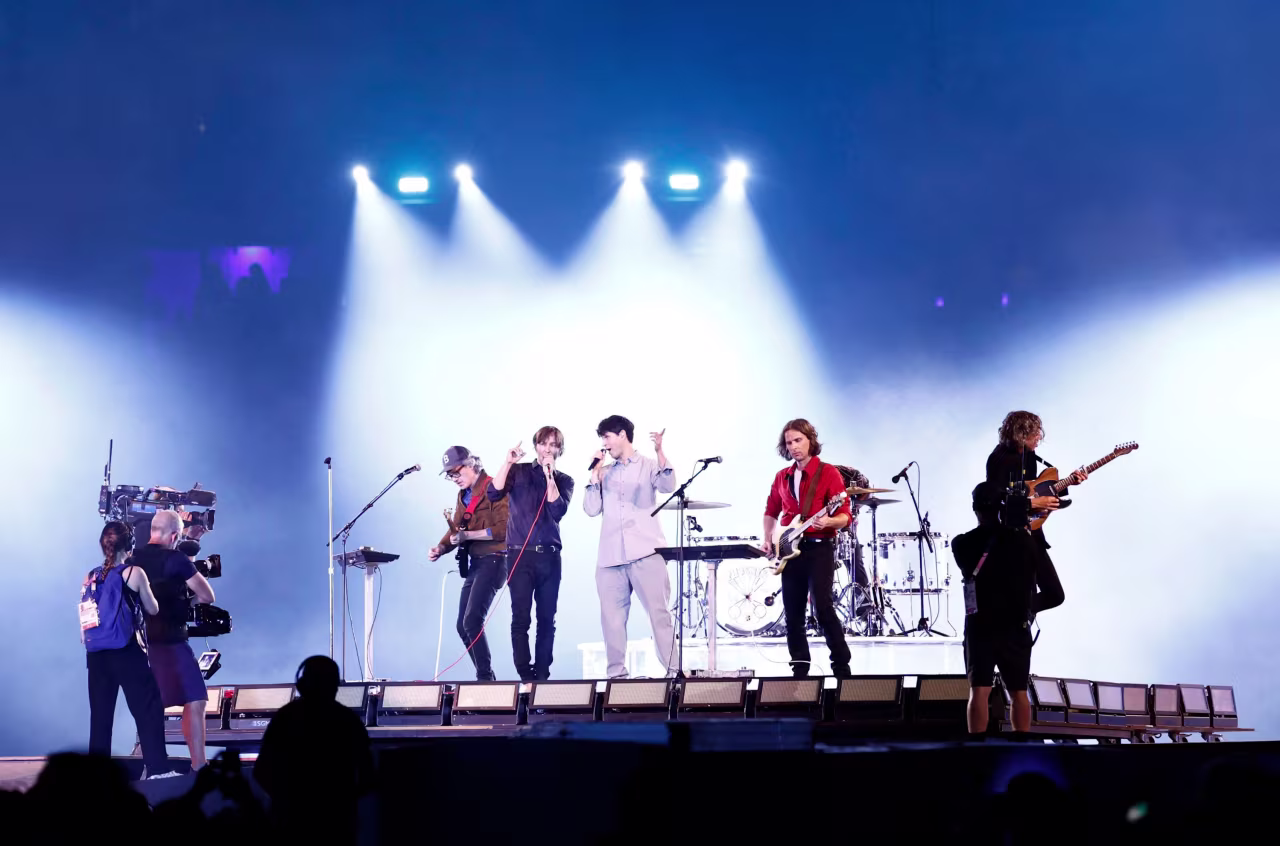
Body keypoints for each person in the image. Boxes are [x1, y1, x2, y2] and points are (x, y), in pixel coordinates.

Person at [952, 481, 1058, 735]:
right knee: (1019, 692)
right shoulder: (1028, 543)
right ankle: (1020, 749)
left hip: (980, 625)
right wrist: (1026, 607)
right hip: (1015, 624)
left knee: (979, 691)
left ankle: (977, 753)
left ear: (975, 508)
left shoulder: (961, 544)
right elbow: (1055, 594)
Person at [583, 414, 678, 678]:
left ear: (622, 434)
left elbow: (668, 484)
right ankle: (617, 677)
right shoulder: (604, 473)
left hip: (647, 553)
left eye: (607, 437)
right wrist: (594, 473)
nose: (604, 444)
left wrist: (660, 451)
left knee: (659, 615)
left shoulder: (647, 465)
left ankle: (674, 673)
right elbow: (591, 509)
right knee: (612, 622)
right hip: (610, 558)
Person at [80, 521, 176, 779]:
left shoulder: (90, 576)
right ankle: (157, 769)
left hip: (96, 656)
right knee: (148, 708)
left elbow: (86, 618)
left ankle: (96, 777)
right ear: (129, 545)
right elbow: (152, 608)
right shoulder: (133, 573)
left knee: (100, 717)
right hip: (126, 651)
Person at [762, 419, 854, 677]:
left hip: (819, 548)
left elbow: (846, 515)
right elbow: (771, 511)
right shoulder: (783, 476)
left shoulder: (828, 473)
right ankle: (799, 667)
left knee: (823, 606)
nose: (793, 447)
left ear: (811, 441)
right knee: (793, 612)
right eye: (789, 442)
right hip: (789, 551)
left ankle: (841, 663)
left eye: (798, 440)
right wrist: (768, 538)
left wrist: (829, 520)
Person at [255, 656, 372, 843]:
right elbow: (368, 778)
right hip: (337, 827)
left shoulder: (285, 718)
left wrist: (287, 802)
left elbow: (261, 772)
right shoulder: (348, 721)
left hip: (290, 826)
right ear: (334, 686)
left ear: (302, 684)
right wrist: (339, 803)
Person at [132, 509, 216, 771]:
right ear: (175, 535)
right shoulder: (176, 559)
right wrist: (185, 598)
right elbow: (207, 596)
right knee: (195, 698)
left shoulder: (133, 558)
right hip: (172, 641)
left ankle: (150, 765)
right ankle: (199, 765)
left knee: (152, 704)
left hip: (143, 643)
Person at [489, 426, 575, 681]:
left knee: (547, 619)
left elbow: (557, 511)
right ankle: (525, 675)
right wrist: (507, 463)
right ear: (536, 445)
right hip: (519, 555)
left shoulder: (564, 480)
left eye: (553, 445)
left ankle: (542, 676)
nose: (547, 449)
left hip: (549, 557)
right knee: (521, 618)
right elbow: (493, 493)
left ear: (559, 450)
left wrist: (550, 477)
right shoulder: (518, 471)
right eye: (543, 444)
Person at [985, 410, 1086, 618]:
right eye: (1035, 431)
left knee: (1054, 595)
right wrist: (1030, 503)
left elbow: (1036, 489)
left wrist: (1068, 483)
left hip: (1033, 534)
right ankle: (1009, 616)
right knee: (1026, 592)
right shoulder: (998, 459)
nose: (1040, 435)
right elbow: (994, 500)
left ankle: (1012, 613)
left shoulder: (1030, 457)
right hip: (1009, 537)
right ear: (1021, 433)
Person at [430, 446, 510, 681]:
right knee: (462, 625)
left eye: (456, 472)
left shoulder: (495, 487)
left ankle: (485, 680)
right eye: (450, 475)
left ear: (472, 464)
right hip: (476, 563)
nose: (454, 479)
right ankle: (487, 676)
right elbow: (456, 528)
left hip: (495, 560)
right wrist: (441, 548)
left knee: (472, 620)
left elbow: (504, 530)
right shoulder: (462, 495)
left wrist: (469, 536)